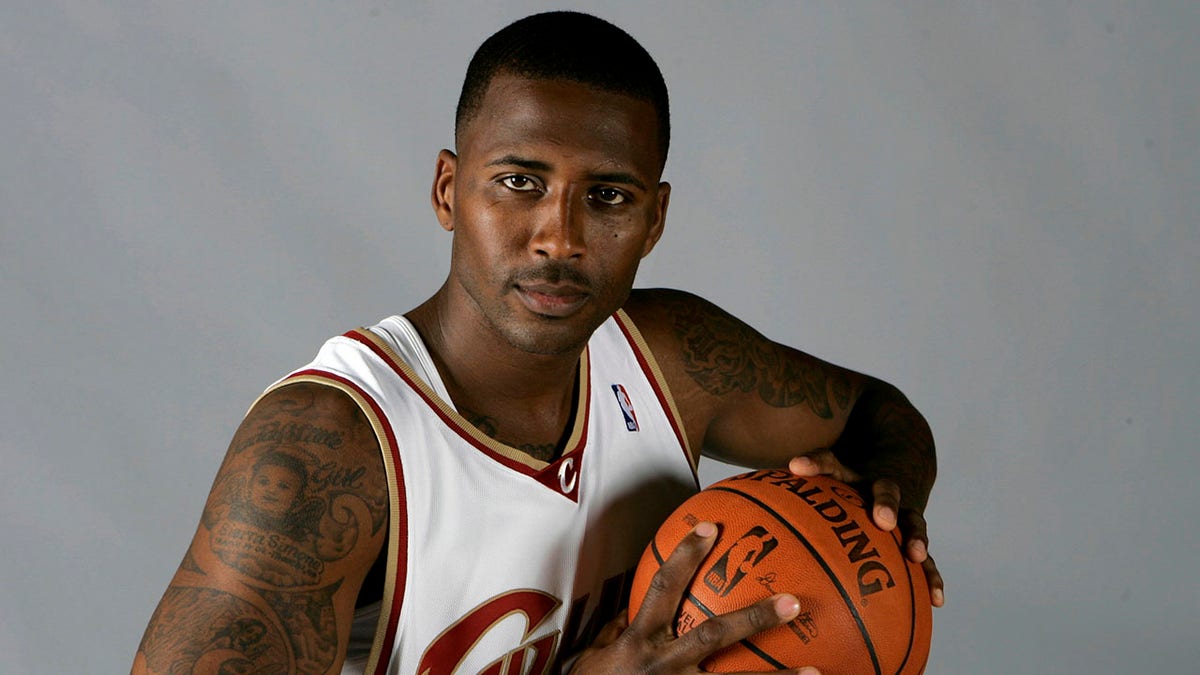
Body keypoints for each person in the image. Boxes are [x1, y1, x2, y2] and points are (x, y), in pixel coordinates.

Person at [132, 11, 943, 675]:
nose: (559, 236)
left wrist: (890, 496)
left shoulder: (673, 355)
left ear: (654, 219)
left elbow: (879, 415)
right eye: (520, 182)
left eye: (608, 195)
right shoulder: (332, 445)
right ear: (449, 191)